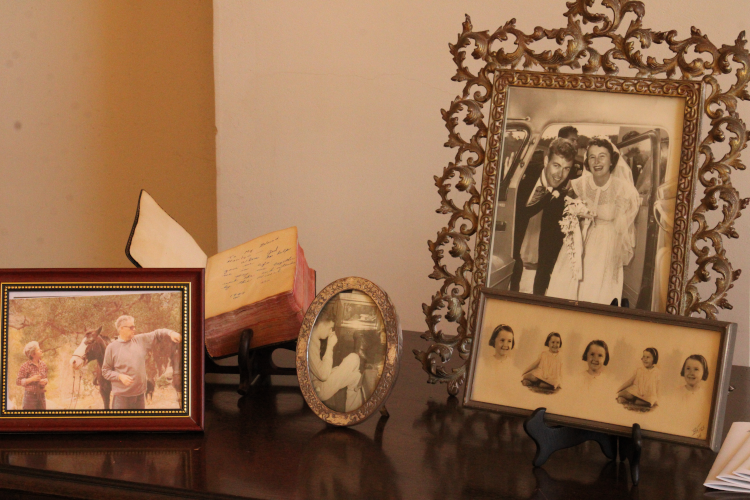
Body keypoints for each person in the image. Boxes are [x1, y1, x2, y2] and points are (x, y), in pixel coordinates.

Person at [546, 137, 640, 304]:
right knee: (565, 287)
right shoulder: (577, 184)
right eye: (592, 157)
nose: (597, 161)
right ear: (587, 161)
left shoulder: (624, 190)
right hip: (578, 241)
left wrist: (620, 212)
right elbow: (563, 213)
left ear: (612, 160)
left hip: (605, 246)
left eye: (602, 156)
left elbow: (623, 228)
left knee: (596, 292)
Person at [510, 138, 577, 296]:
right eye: (556, 166)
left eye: (567, 169)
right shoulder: (523, 173)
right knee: (514, 263)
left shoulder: (562, 194)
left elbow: (549, 246)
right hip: (510, 224)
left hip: (533, 230)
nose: (560, 175)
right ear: (546, 160)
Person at [101, 315, 181, 410]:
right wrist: (119, 376)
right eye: (131, 327)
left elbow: (156, 334)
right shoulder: (111, 347)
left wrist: (171, 333)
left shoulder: (140, 340)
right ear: (121, 328)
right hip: (121, 398)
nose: (134, 329)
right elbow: (105, 371)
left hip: (140, 397)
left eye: (134, 326)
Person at [308, 318, 364, 412]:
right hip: (318, 389)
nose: (331, 331)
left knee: (356, 376)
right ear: (321, 325)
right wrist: (330, 346)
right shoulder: (311, 344)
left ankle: (352, 412)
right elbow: (323, 375)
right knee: (354, 357)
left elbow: (320, 369)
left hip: (320, 383)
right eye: (330, 328)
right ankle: (354, 411)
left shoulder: (314, 339)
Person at [16, 341, 48, 410]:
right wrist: (31, 379)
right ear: (33, 354)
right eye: (38, 350)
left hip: (41, 396)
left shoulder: (43, 365)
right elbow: (18, 381)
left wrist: (45, 381)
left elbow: (46, 378)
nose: (41, 350)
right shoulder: (25, 366)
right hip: (29, 398)